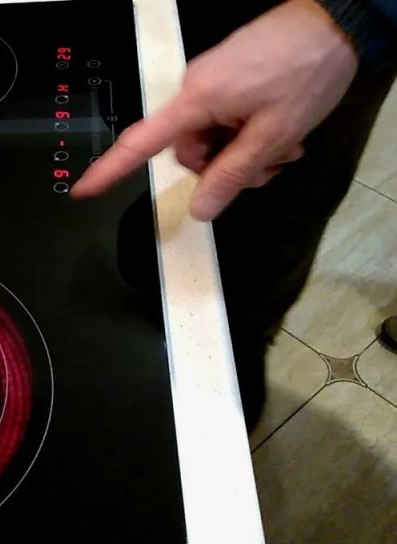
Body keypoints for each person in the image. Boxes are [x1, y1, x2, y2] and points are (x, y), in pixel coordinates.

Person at [71, 0, 397, 428]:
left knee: (258, 231)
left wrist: (351, 19)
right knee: (151, 151)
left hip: (315, 26)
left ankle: (233, 359)